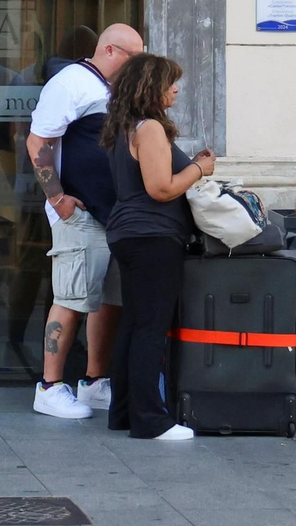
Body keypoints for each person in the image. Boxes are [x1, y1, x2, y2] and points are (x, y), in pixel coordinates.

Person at [24, 23, 144, 419]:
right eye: (134, 57)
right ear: (111, 51)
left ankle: (94, 381)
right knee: (72, 299)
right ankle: (50, 386)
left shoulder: (109, 89)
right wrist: (58, 199)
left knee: (106, 300)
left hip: (110, 212)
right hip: (82, 214)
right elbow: (38, 142)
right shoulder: (71, 83)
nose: (139, 65)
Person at [101, 53, 216, 440]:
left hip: (130, 233)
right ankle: (151, 420)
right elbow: (160, 188)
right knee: (150, 327)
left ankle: (123, 413)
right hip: (152, 236)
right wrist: (200, 169)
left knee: (134, 324)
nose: (176, 89)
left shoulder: (123, 126)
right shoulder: (149, 128)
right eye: (170, 83)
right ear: (152, 87)